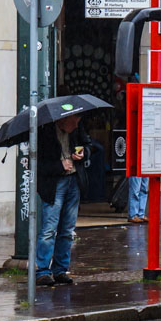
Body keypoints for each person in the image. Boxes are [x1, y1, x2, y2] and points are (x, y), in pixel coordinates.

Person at [36, 114, 90, 286]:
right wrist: (61, 165)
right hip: (55, 183)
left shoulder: (76, 129)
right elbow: (38, 164)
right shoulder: (45, 132)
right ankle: (43, 270)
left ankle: (60, 269)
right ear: (62, 120)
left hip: (73, 180)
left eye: (78, 122)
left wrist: (83, 153)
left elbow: (88, 145)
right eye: (73, 122)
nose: (76, 125)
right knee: (49, 229)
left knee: (67, 229)